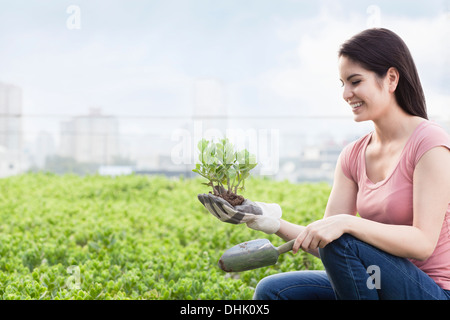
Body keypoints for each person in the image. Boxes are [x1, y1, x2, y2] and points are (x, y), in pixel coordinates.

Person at [197, 28, 450, 300]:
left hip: (431, 290)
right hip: (376, 281)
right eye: (342, 83)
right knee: (273, 291)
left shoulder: (429, 143)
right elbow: (326, 242)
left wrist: (347, 224)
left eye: (355, 81)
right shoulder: (353, 155)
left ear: (390, 78)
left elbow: (422, 243)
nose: (346, 93)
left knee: (341, 236)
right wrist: (267, 220)